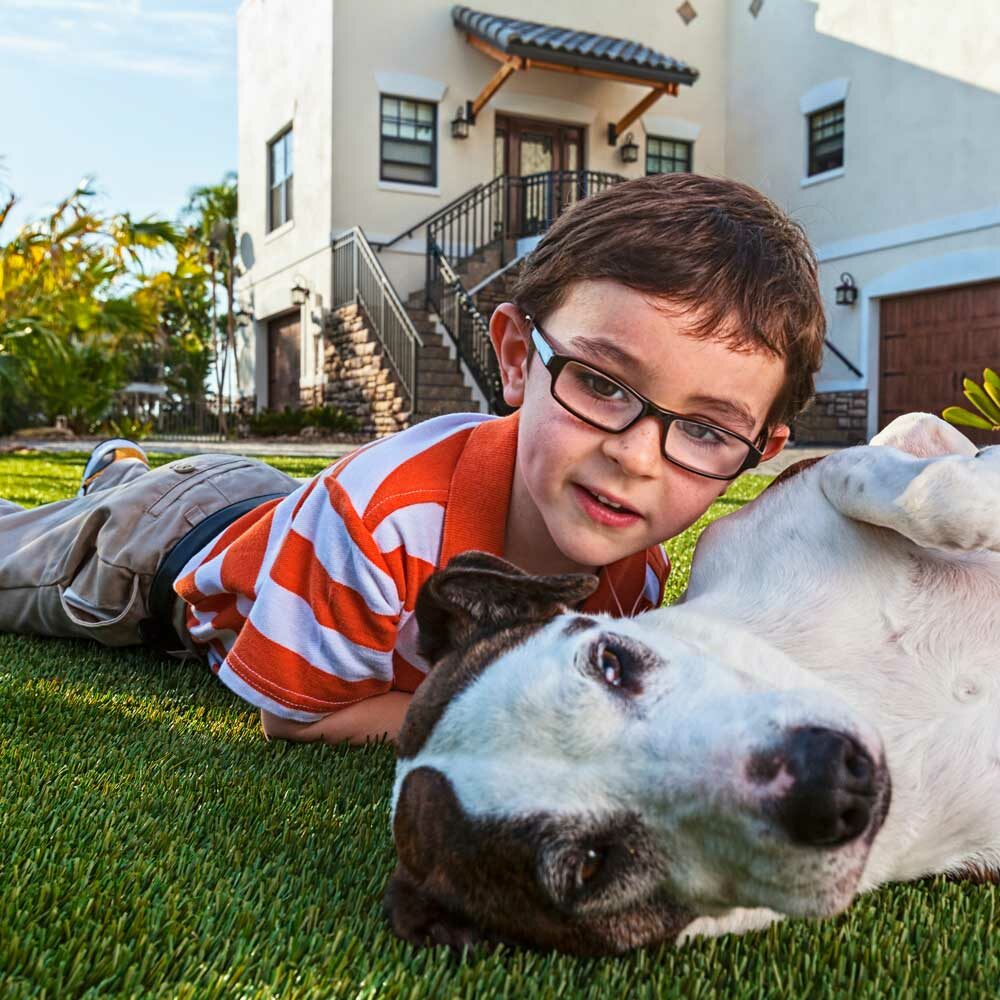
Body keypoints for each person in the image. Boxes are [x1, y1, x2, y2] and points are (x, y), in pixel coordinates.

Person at [0, 174, 825, 747]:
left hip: (273, 510)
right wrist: (512, 707)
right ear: (515, 358)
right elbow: (298, 717)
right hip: (151, 554)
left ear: (759, 453)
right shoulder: (380, 523)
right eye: (603, 384)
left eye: (707, 431)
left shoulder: (631, 568)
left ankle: (118, 468)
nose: (638, 458)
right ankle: (123, 489)